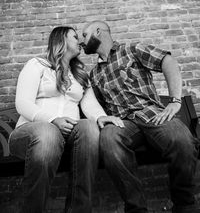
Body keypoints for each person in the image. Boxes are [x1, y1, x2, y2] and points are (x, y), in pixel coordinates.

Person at [81, 20, 200, 213]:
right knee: (108, 139)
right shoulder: (94, 74)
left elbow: (167, 61)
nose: (82, 42)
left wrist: (175, 101)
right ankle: (136, 209)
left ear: (97, 31)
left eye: (84, 36)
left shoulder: (131, 49)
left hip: (152, 114)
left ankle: (184, 205)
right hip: (122, 123)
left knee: (183, 140)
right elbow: (95, 106)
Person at [8, 26, 123, 213]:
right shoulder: (37, 65)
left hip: (68, 136)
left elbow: (90, 105)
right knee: (48, 132)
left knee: (89, 127)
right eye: (75, 37)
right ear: (61, 40)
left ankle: (79, 209)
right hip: (30, 132)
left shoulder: (79, 75)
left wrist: (102, 116)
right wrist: (53, 119)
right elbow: (23, 103)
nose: (80, 41)